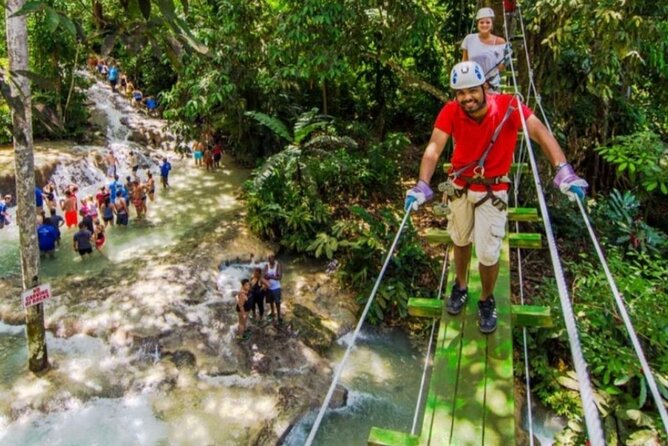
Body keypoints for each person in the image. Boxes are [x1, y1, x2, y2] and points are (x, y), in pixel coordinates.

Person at [404, 61, 588, 334]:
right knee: (459, 238)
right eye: (460, 93)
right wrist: (422, 184)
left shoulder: (509, 106)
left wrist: (563, 170)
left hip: (493, 190)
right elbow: (434, 147)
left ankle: (486, 299)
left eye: (472, 91)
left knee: (489, 252)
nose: (467, 98)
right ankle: (461, 285)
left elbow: (539, 132)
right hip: (459, 186)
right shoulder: (450, 111)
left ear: (485, 87)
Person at [461, 8, 508, 91]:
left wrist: (506, 59)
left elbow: (500, 68)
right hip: (473, 85)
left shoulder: (500, 41)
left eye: (487, 22)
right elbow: (464, 63)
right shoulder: (469, 39)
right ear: (477, 24)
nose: (484, 25)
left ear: (492, 24)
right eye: (481, 22)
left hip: (491, 86)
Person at [263, 253, 283, 323]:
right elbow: (264, 275)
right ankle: (272, 312)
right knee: (271, 301)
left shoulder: (278, 265)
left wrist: (270, 276)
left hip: (276, 287)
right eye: (269, 259)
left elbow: (279, 277)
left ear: (274, 258)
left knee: (277, 302)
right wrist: (267, 276)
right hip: (269, 287)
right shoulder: (266, 265)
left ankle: (279, 315)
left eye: (271, 258)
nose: (270, 260)